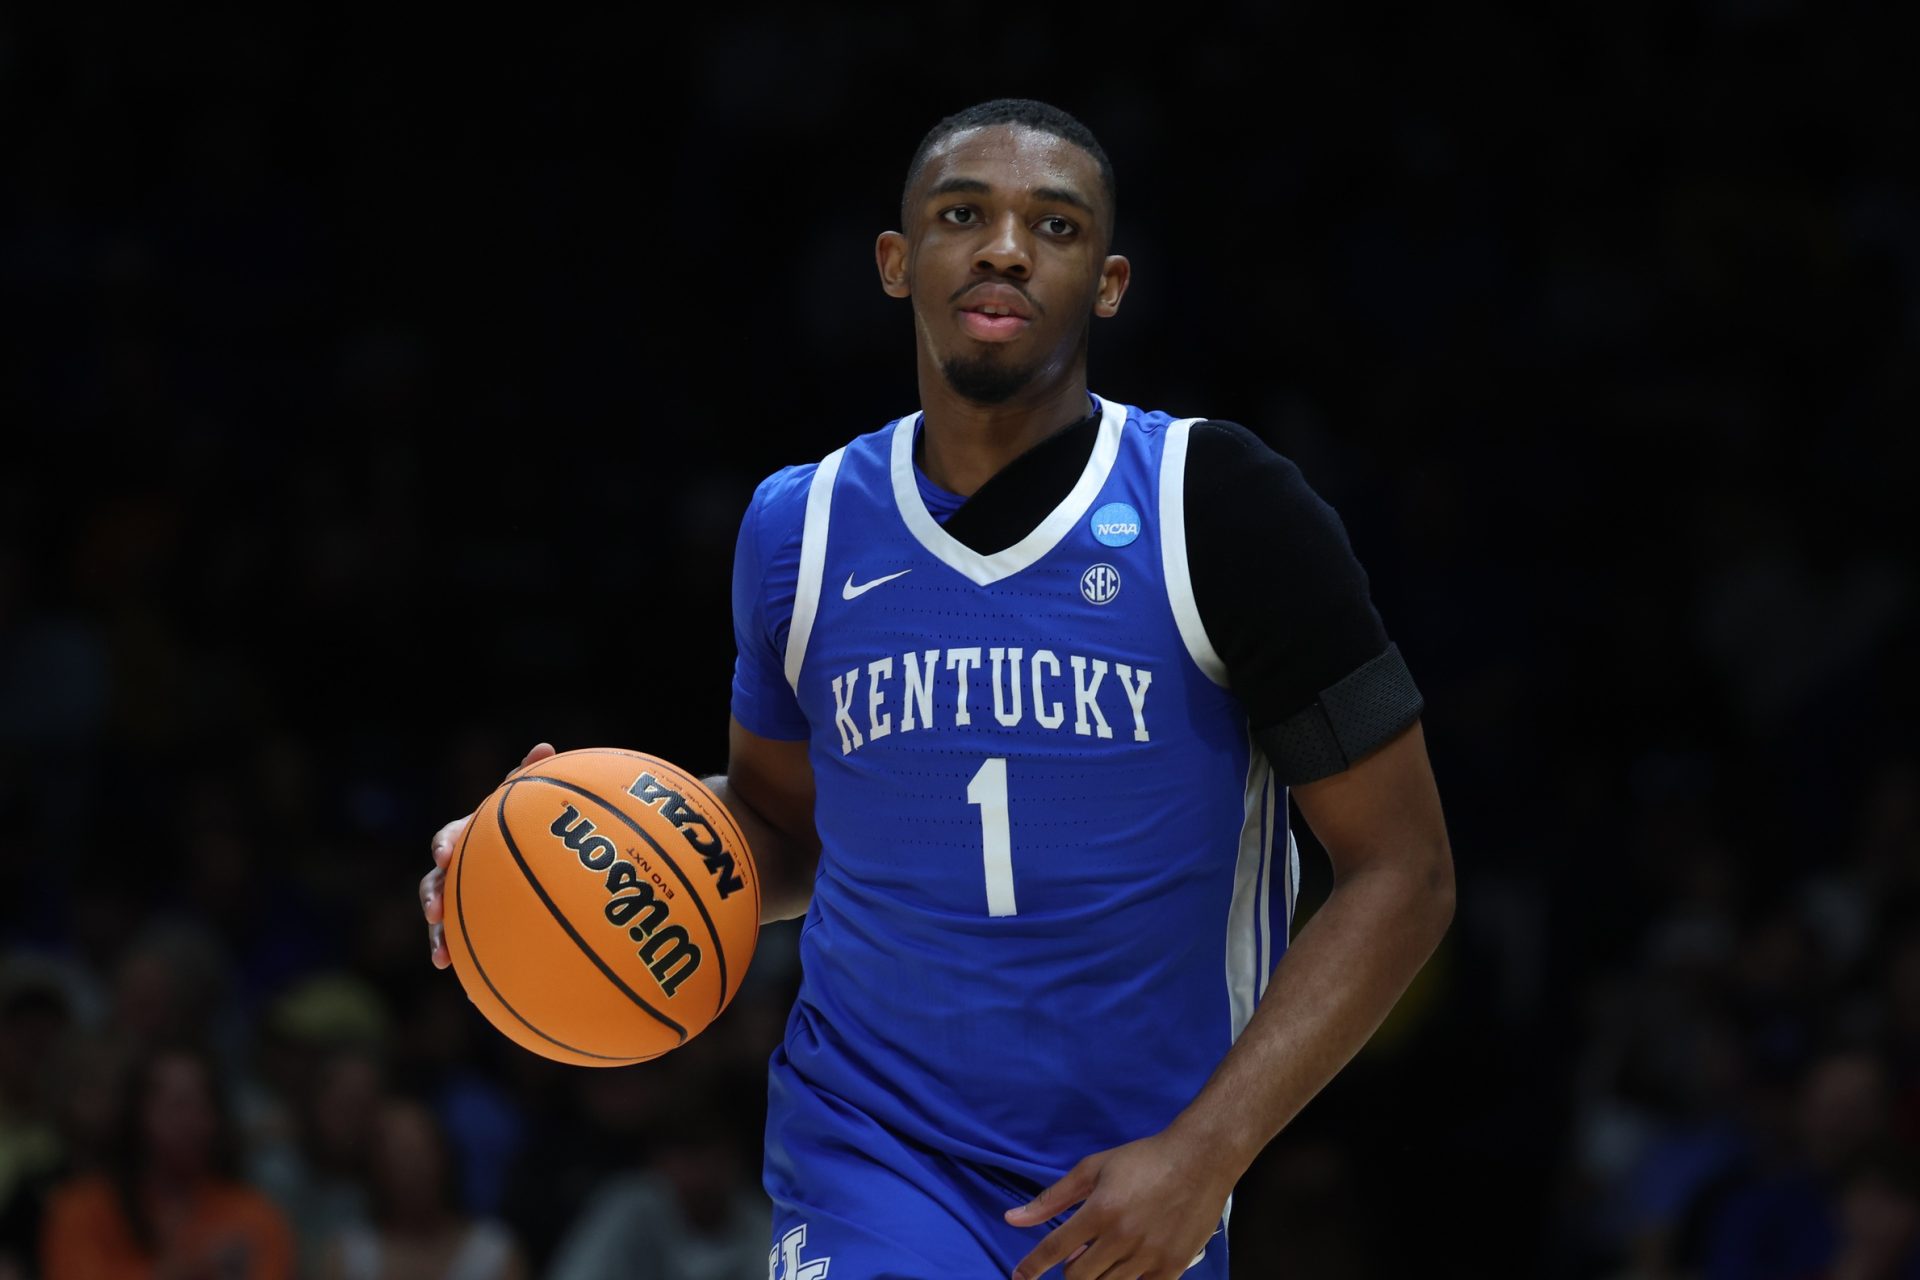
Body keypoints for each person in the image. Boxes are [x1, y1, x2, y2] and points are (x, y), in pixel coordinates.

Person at [420, 97, 1455, 1280]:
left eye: (1055, 226)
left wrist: (1206, 1153)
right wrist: (545, 853)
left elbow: (1404, 871)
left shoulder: (1219, 508)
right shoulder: (796, 528)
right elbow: (782, 830)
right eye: (965, 213)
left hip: (1130, 1175)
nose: (1007, 246)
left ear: (1110, 284)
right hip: (870, 1148)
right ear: (896, 261)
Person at [41, 1045, 294, 1280]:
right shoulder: (81, 1212)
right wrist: (187, 1271)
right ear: (135, 1116)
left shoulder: (254, 1216)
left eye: (203, 1105)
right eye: (177, 1106)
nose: (192, 1122)